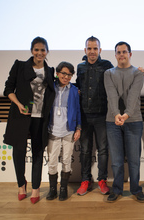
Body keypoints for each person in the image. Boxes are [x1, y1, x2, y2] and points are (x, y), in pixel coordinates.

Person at [3, 37, 55, 204]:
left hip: (40, 118)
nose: (39, 53)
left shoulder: (50, 71)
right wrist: (18, 104)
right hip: (21, 116)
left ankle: (36, 188)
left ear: (47, 51)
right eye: (36, 49)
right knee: (18, 151)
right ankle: (21, 184)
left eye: (43, 50)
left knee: (38, 152)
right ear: (32, 50)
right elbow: (8, 89)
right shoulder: (19, 66)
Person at [104, 41, 144, 203]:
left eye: (124, 52)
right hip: (112, 121)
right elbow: (111, 95)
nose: (121, 54)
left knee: (134, 160)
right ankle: (117, 189)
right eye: (118, 52)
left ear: (130, 54)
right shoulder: (108, 73)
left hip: (134, 121)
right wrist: (116, 115)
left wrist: (126, 115)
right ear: (115, 55)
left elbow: (133, 96)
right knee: (116, 160)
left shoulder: (138, 73)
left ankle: (136, 189)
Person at [75, 36, 113, 196]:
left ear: (100, 50)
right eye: (89, 48)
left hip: (102, 115)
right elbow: (78, 85)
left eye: (95, 48)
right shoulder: (80, 67)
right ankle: (85, 180)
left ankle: (102, 180)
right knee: (85, 150)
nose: (92, 52)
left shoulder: (107, 66)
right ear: (85, 50)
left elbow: (117, 80)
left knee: (103, 149)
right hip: (84, 115)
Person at [46, 62, 81, 201]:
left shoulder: (74, 90)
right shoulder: (50, 88)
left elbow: (78, 110)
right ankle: (52, 189)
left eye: (69, 74)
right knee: (52, 161)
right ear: (57, 73)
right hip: (52, 130)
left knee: (67, 160)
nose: (66, 77)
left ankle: (63, 188)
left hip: (68, 131)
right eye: (63, 73)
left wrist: (78, 128)